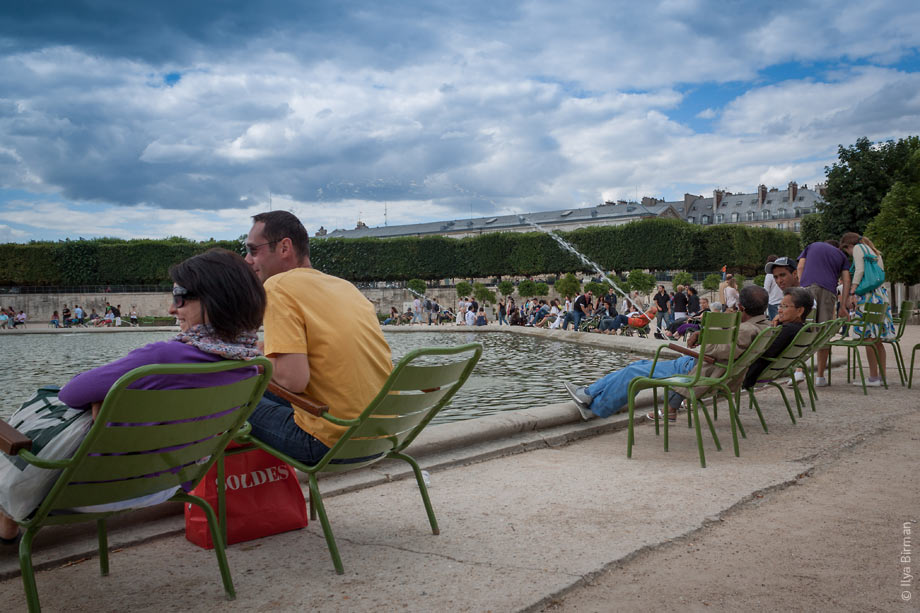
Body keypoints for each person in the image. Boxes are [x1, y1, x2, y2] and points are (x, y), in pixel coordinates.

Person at [0, 248, 266, 541]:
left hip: (88, 491)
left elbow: (71, 393)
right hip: (165, 487)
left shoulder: (163, 357)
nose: (171, 308)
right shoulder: (250, 366)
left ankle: (7, 519)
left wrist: (102, 402)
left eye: (179, 296)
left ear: (215, 300)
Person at [243, 211, 392, 465]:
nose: (247, 259)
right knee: (252, 387)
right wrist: (262, 351)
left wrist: (247, 361)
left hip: (328, 443)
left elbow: (293, 379)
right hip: (380, 437)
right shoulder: (344, 287)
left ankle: (227, 494)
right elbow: (326, 350)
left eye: (253, 250)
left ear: (284, 247)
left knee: (229, 399)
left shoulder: (278, 286)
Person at [564, 286, 769, 421]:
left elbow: (712, 352)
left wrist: (711, 333)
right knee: (639, 365)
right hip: (711, 370)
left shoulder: (746, 330)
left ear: (741, 307)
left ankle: (594, 405)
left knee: (633, 371)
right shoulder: (765, 328)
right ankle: (589, 394)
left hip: (697, 369)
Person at [839, 232, 895, 386]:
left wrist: (852, 291)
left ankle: (873, 377)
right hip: (879, 295)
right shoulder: (872, 250)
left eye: (846, 251)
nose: (849, 254)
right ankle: (881, 376)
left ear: (848, 246)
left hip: (868, 295)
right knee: (877, 340)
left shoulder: (858, 248)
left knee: (868, 337)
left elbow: (860, 270)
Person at [797, 240, 851, 386]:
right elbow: (846, 280)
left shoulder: (811, 246)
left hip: (807, 288)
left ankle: (798, 372)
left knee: (803, 330)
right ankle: (820, 377)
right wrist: (843, 306)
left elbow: (800, 266)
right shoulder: (842, 256)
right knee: (823, 333)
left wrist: (802, 287)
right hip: (828, 291)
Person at [743, 287, 813, 389]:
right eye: (779, 306)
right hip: (769, 373)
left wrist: (772, 328)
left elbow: (765, 351)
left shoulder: (787, 330)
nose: (779, 310)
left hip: (749, 376)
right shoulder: (803, 330)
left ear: (799, 311)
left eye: (784, 306)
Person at [763, 255, 783, 320]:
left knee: (774, 324)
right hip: (783, 301)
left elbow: (766, 289)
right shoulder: (782, 273)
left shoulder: (769, 275)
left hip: (773, 302)